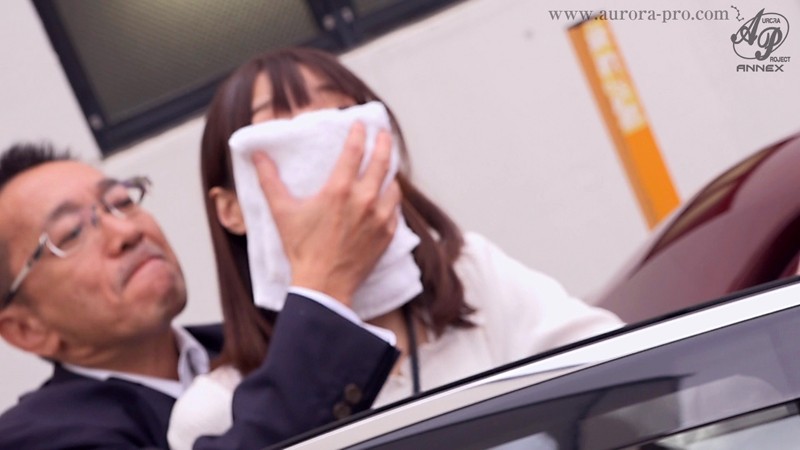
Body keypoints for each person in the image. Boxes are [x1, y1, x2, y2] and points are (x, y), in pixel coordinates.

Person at [166, 46, 624, 445]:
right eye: (284, 130)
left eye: (339, 113)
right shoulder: (214, 412)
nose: (330, 153)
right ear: (232, 209)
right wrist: (324, 285)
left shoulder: (473, 278)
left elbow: (623, 384)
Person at [0, 141, 401, 449]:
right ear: (26, 330)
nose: (127, 231)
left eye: (122, 201)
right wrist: (323, 290)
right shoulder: (33, 437)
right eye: (71, 233)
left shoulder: (256, 342)